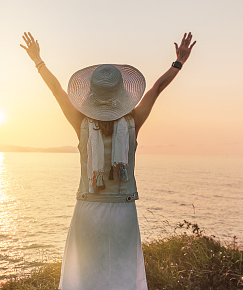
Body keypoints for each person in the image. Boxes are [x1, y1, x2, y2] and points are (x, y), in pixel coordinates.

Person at [20, 32, 196, 289]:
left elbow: (57, 91)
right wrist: (178, 63)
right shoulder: (132, 121)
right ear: (122, 94)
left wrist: (38, 61)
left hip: (88, 209)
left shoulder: (81, 122)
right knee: (121, 275)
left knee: (89, 277)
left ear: (91, 95)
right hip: (123, 210)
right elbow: (156, 89)